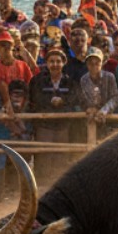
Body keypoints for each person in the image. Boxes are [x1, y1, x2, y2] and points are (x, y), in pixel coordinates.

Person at [28, 48, 78, 180]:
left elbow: (74, 98)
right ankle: (41, 184)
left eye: (58, 61)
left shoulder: (70, 82)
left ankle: (58, 183)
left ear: (64, 63)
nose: (55, 64)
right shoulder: (38, 80)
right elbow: (35, 97)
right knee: (43, 155)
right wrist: (50, 101)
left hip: (63, 125)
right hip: (44, 125)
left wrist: (63, 101)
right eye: (51, 61)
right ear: (46, 63)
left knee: (61, 155)